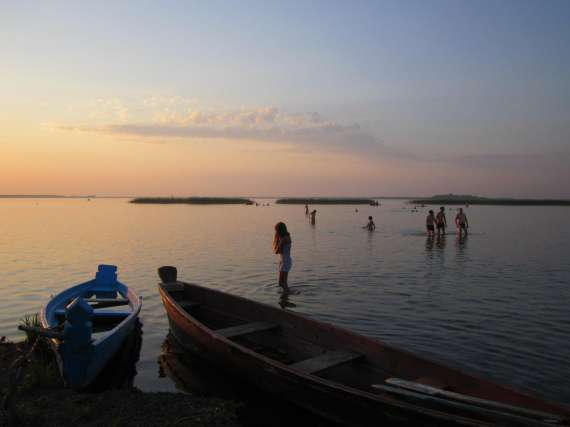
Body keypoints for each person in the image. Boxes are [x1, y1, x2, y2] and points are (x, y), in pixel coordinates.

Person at [273, 222, 292, 292]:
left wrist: (278, 241)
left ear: (280, 230)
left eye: (276, 231)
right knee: (281, 283)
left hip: (286, 261)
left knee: (283, 283)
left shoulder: (284, 239)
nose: (276, 232)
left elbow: (277, 251)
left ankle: (289, 294)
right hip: (283, 260)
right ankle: (287, 294)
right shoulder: (285, 237)